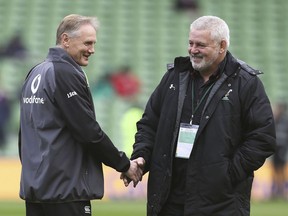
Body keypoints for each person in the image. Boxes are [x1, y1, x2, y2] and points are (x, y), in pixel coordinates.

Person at [122, 15, 276, 216]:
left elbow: (263, 138)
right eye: (191, 43)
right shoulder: (174, 77)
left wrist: (226, 173)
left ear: (222, 46)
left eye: (200, 45)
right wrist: (142, 156)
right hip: (168, 199)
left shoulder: (245, 83)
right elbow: (149, 123)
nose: (193, 50)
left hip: (220, 202)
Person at [18, 14, 142, 216]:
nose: (92, 50)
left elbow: (24, 133)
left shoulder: (36, 71)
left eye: (93, 43)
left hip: (37, 187)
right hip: (65, 189)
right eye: (87, 43)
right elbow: (88, 131)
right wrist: (124, 164)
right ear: (65, 39)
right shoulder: (65, 72)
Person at [271, 102, 288, 199]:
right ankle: (275, 191)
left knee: (281, 170)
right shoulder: (275, 120)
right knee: (274, 170)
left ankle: (282, 191)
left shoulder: (285, 121)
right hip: (275, 148)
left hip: (282, 149)